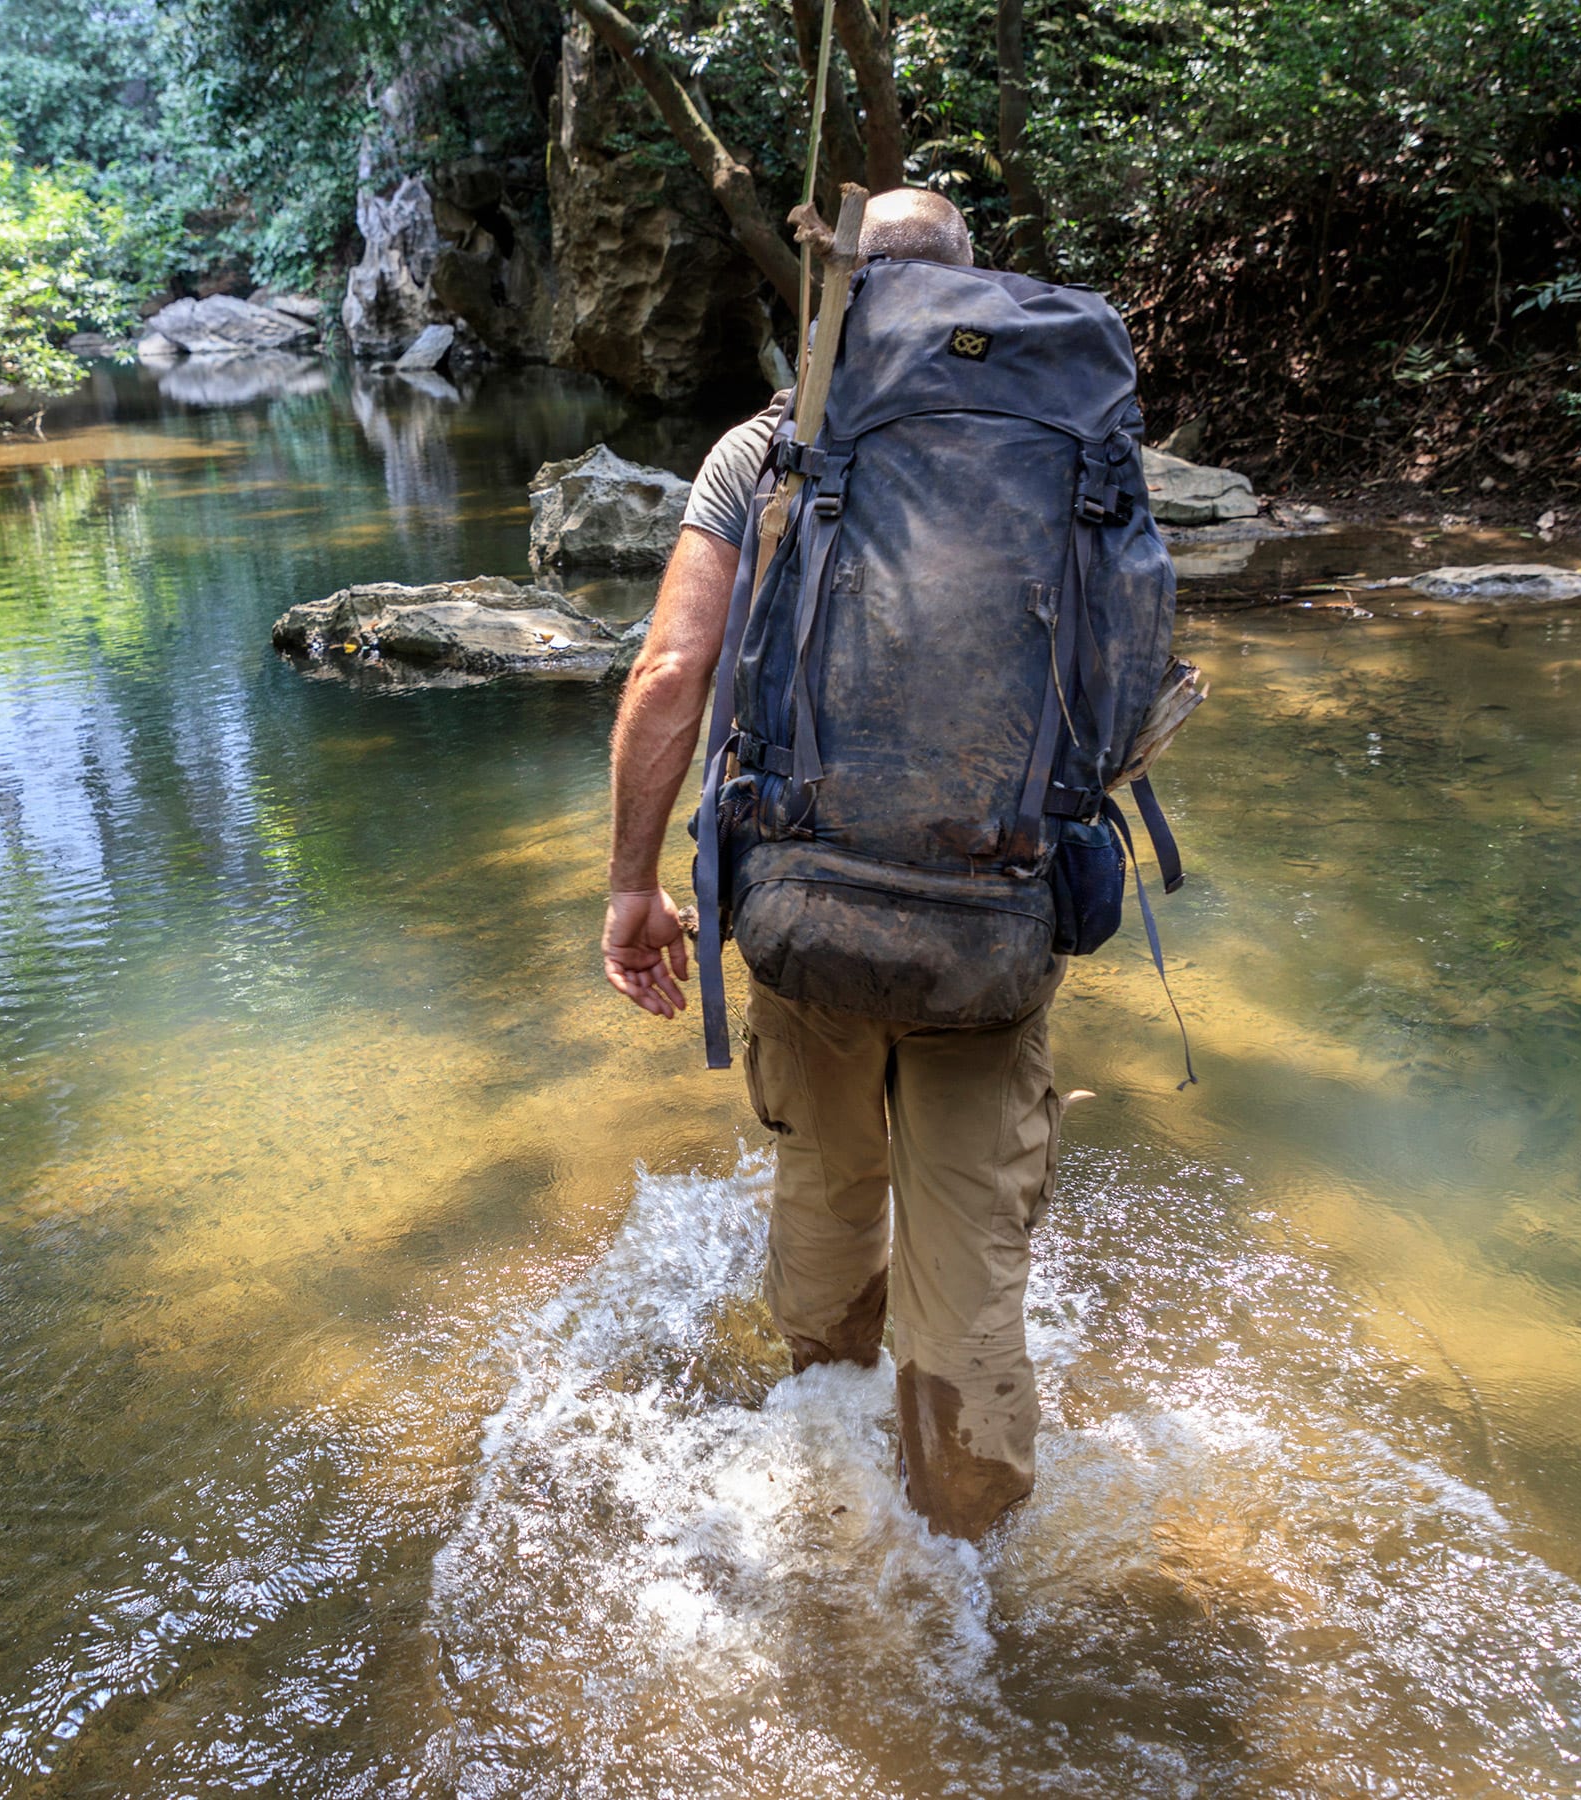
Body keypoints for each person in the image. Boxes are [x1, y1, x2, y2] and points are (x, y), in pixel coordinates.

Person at [600, 188, 1062, 1542]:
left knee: (825, 1188)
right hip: (993, 929)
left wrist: (633, 888)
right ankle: (966, 1570)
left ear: (835, 295)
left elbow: (675, 671)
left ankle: (826, 1477)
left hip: (807, 918)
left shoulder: (765, 451)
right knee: (970, 1267)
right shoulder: (1064, 444)